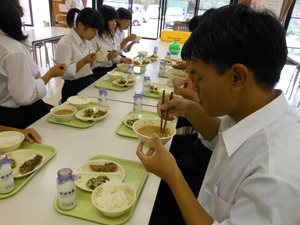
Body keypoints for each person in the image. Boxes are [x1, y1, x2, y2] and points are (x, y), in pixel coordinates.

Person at [137, 4, 300, 225]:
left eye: (199, 78)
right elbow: (219, 136)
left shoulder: (273, 174)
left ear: (237, 76)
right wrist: (187, 108)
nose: (193, 89)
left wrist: (173, 175)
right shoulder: (249, 110)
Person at [0, 0, 66, 129]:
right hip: (20, 116)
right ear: (19, 12)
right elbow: (24, 97)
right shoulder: (13, 49)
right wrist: (50, 74)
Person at [55, 7, 103, 103]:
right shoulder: (66, 43)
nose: (95, 34)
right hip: (73, 88)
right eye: (93, 30)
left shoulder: (86, 41)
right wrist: (84, 61)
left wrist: (93, 61)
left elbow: (88, 68)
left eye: (97, 30)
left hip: (87, 82)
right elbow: (63, 73)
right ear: (80, 25)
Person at [91, 5, 132, 80]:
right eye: (111, 21)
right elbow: (93, 63)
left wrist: (121, 59)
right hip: (99, 71)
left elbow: (114, 55)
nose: (114, 24)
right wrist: (108, 58)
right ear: (103, 20)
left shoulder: (111, 36)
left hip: (110, 67)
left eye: (115, 21)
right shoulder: (93, 37)